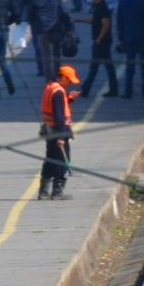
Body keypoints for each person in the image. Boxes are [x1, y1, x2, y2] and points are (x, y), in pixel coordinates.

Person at [39, 64, 80, 200]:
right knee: (62, 160)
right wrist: (61, 136)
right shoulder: (58, 92)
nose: (69, 83)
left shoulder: (50, 87)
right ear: (62, 77)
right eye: (68, 80)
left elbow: (54, 107)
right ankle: (57, 191)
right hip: (58, 130)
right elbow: (59, 115)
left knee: (50, 159)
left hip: (49, 129)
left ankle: (43, 191)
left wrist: (69, 99)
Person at [79, 0, 119, 98]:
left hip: (102, 42)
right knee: (108, 67)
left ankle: (85, 90)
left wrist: (98, 39)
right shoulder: (99, 7)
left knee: (94, 67)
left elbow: (106, 26)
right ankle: (114, 89)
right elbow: (95, 20)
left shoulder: (103, 8)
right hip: (103, 42)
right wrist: (81, 20)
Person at [28, 0, 65, 81]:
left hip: (42, 29)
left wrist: (33, 24)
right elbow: (63, 12)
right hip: (55, 27)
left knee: (46, 55)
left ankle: (49, 79)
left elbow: (31, 13)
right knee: (57, 52)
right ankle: (57, 72)